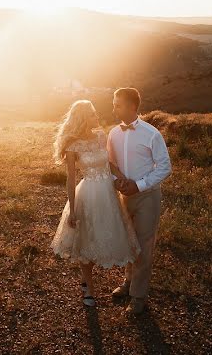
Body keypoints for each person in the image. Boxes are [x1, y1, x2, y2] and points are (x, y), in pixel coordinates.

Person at [50, 100, 141, 307]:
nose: (96, 116)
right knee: (86, 240)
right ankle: (89, 288)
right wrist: (73, 210)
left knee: (107, 234)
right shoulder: (73, 146)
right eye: (91, 114)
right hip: (89, 193)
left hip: (108, 194)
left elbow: (108, 163)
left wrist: (121, 176)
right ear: (82, 118)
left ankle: (94, 281)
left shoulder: (101, 135)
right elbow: (71, 179)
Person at [107, 87, 172, 315]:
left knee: (144, 246)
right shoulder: (113, 133)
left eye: (117, 104)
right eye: (114, 104)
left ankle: (138, 296)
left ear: (132, 106)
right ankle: (128, 282)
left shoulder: (152, 133)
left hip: (147, 197)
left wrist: (139, 185)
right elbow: (111, 164)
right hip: (124, 196)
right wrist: (117, 181)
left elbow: (165, 167)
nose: (113, 108)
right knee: (129, 242)